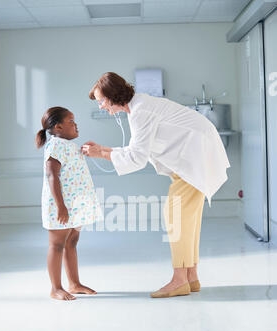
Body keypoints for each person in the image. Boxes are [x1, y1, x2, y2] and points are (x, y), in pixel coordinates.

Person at [82, 72, 230, 298]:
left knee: (176, 216)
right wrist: (102, 150)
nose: (101, 106)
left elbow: (137, 159)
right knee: (186, 219)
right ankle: (191, 277)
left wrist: (101, 154)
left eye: (101, 100)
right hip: (193, 157)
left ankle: (179, 280)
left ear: (113, 96)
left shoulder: (141, 111)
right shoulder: (138, 108)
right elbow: (137, 150)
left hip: (195, 156)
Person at [36, 106, 103, 300]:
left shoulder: (68, 145)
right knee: (57, 244)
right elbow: (52, 175)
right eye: (71, 121)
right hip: (61, 206)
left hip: (74, 206)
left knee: (72, 242)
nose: (76, 125)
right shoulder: (56, 145)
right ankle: (55, 288)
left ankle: (74, 283)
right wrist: (61, 206)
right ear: (58, 127)